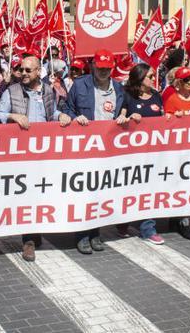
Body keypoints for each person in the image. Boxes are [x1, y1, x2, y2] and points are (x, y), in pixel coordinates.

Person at [0, 55, 71, 261]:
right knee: (27, 196)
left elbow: (51, 112)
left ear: (39, 71)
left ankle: (35, 233)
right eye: (21, 70)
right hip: (20, 153)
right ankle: (28, 241)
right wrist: (13, 116)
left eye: (29, 70)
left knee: (40, 193)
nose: (24, 74)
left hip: (43, 152)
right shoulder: (12, 91)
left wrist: (60, 116)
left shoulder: (47, 90)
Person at [64, 49, 126, 254]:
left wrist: (124, 115)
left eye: (107, 68)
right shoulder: (79, 84)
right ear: (93, 66)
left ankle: (95, 232)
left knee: (100, 191)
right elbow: (67, 109)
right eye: (100, 68)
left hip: (107, 149)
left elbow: (123, 108)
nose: (103, 72)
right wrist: (74, 118)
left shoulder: (118, 87)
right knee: (84, 192)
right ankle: (82, 234)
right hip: (84, 148)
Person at [116, 63, 165, 244]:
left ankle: (148, 228)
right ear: (140, 78)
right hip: (131, 155)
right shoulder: (128, 97)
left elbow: (163, 119)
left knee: (148, 190)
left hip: (153, 154)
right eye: (150, 76)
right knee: (129, 190)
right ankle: (122, 222)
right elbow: (120, 119)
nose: (154, 79)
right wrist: (129, 119)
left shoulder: (157, 97)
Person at [161, 66, 190, 238]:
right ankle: (178, 218)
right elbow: (167, 123)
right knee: (177, 183)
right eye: (186, 80)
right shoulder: (171, 100)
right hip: (177, 150)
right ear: (178, 83)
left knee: (189, 183)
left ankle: (183, 219)